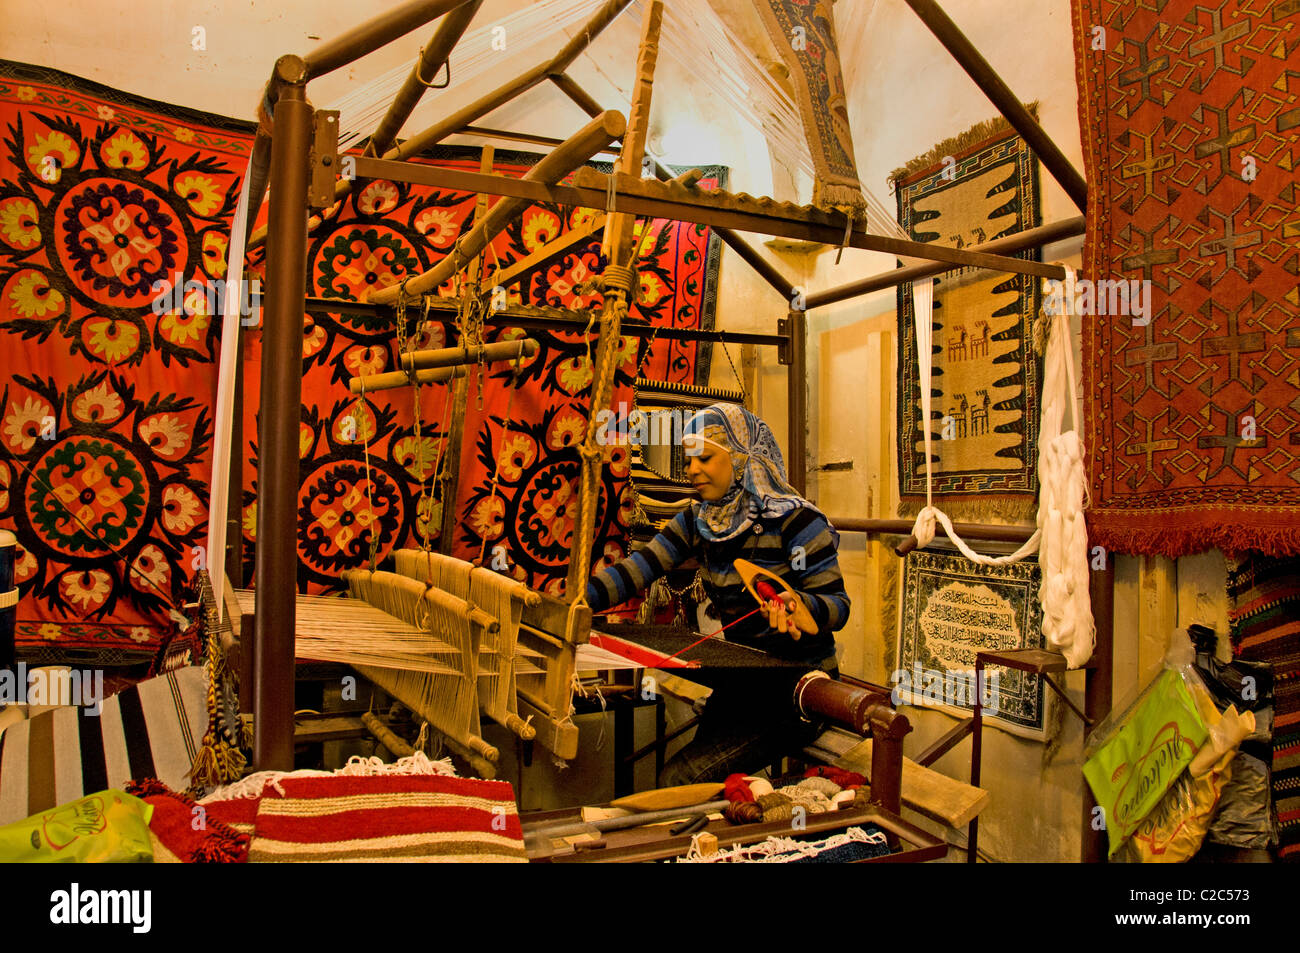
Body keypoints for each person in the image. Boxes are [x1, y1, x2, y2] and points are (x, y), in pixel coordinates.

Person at [586, 403, 849, 784]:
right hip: (744, 684)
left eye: (705, 458)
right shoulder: (701, 520)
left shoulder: (797, 521)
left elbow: (838, 606)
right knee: (685, 780)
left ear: (743, 457)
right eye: (689, 461)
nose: (692, 471)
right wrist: (575, 602)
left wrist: (801, 606)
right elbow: (639, 569)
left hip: (798, 695)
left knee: (681, 779)